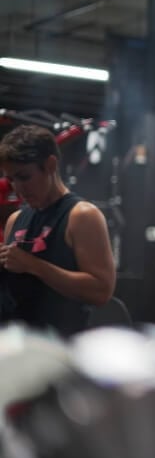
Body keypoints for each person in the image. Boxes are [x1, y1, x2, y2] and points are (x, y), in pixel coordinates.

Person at [0, 125, 116, 336]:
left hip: (63, 345)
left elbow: (101, 291)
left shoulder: (82, 215)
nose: (18, 188)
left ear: (50, 165)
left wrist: (33, 265)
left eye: (24, 177)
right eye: (11, 180)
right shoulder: (15, 220)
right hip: (19, 344)